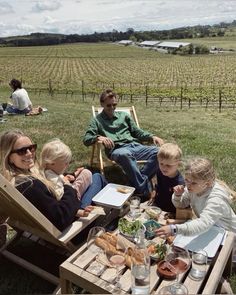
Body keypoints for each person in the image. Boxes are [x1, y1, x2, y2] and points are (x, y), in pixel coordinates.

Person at [0, 129, 107, 231]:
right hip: (74, 229)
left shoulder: (14, 182)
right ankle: (111, 218)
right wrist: (69, 187)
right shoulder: (31, 186)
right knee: (98, 178)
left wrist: (70, 176)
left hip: (46, 229)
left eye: (31, 147)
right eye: (22, 151)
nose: (29, 153)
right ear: (9, 157)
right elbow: (61, 217)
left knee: (94, 178)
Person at [83, 89, 164, 200]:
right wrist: (98, 137)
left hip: (135, 146)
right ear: (102, 104)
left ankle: (137, 183)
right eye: (108, 105)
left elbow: (137, 132)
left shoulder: (124, 116)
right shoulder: (97, 120)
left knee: (161, 153)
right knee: (124, 154)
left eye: (114, 104)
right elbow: (86, 139)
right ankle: (144, 190)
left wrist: (152, 136)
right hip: (117, 149)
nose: (112, 108)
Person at [156, 157, 236, 238]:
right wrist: (178, 195)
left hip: (229, 235)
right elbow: (181, 205)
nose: (188, 185)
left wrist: (175, 229)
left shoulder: (216, 199)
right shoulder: (194, 188)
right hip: (212, 230)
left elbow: (203, 223)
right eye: (186, 180)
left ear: (207, 183)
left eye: (194, 183)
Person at [40, 138, 93, 207]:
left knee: (87, 173)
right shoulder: (53, 180)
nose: (68, 165)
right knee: (89, 175)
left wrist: (69, 176)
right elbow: (61, 197)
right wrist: (67, 183)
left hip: (70, 193)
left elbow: (60, 177)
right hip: (72, 199)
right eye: (65, 163)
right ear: (52, 162)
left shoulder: (47, 171)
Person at [152, 143, 185, 215]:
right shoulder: (160, 172)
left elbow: (181, 203)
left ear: (178, 164)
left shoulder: (179, 183)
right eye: (161, 164)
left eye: (168, 165)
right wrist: (155, 192)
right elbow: (159, 186)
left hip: (170, 211)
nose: (164, 168)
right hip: (158, 204)